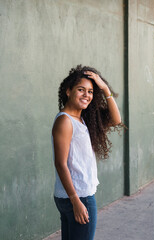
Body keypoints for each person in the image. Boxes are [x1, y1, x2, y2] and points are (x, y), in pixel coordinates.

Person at [51, 65, 122, 240]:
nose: (86, 95)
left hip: (71, 196)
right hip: (79, 197)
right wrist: (76, 201)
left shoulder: (82, 119)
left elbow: (116, 119)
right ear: (68, 91)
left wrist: (104, 88)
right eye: (81, 90)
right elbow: (61, 164)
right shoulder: (65, 121)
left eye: (90, 91)